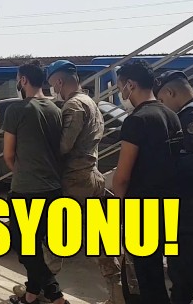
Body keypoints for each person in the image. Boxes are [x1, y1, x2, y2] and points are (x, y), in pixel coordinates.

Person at [43, 60, 125, 304]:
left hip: (74, 180)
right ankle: (117, 293)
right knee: (101, 239)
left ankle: (42, 289)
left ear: (59, 81)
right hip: (92, 176)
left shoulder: (74, 105)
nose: (53, 90)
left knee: (53, 235)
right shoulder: (91, 102)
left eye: (53, 84)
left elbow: (63, 146)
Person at [111, 61, 182, 303]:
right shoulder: (171, 115)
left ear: (130, 84)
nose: (121, 92)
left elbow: (122, 176)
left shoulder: (137, 120)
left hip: (141, 208)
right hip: (168, 205)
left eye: (120, 86)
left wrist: (119, 207)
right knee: (157, 274)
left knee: (143, 278)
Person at [3, 61, 67, 304]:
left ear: (23, 80)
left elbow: (8, 154)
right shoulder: (56, 110)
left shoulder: (17, 110)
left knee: (25, 248)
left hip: (26, 190)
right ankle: (31, 295)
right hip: (53, 188)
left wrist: (22, 173)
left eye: (18, 79)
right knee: (35, 246)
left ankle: (55, 295)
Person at [154, 70, 193, 304]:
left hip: (188, 210)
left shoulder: (189, 118)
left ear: (170, 92)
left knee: (182, 275)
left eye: (161, 100)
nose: (162, 106)